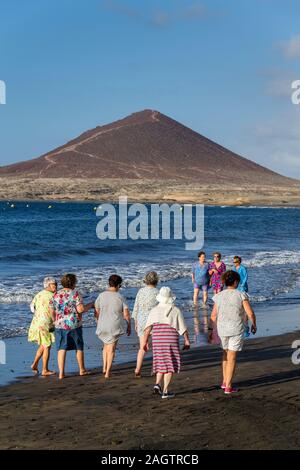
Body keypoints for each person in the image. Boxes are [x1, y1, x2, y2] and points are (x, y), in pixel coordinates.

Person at [209, 270, 257, 395]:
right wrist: (254, 324)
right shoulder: (241, 295)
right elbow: (250, 312)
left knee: (225, 354)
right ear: (236, 282)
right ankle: (228, 386)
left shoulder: (218, 296)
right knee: (232, 357)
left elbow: (213, 316)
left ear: (224, 282)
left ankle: (225, 381)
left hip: (222, 329)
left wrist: (211, 330)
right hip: (236, 328)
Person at [143, 287, 190, 399]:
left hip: (157, 339)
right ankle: (165, 391)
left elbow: (147, 329)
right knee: (170, 364)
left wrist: (145, 342)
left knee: (160, 362)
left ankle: (157, 384)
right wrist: (187, 340)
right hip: (170, 339)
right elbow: (183, 328)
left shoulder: (154, 310)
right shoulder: (175, 310)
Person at [50, 273, 94, 379]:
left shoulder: (55, 294)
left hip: (60, 324)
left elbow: (51, 310)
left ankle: (61, 373)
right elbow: (80, 309)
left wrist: (54, 320)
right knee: (78, 347)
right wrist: (91, 305)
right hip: (74, 324)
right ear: (73, 283)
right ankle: (82, 369)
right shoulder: (75, 294)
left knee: (61, 348)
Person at [95, 274, 131, 379]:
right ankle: (107, 373)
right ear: (118, 285)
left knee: (106, 346)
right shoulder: (120, 297)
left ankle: (104, 368)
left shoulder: (101, 295)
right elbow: (126, 314)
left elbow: (97, 310)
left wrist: (98, 321)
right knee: (111, 349)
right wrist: (129, 325)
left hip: (102, 324)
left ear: (109, 283)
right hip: (114, 325)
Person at [28, 276, 57, 376]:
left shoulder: (39, 294)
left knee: (44, 345)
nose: (56, 286)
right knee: (47, 346)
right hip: (46, 323)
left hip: (37, 322)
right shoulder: (53, 296)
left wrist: (38, 313)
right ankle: (45, 369)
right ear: (48, 285)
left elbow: (31, 307)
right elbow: (52, 310)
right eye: (54, 284)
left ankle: (34, 365)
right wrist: (55, 321)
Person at [132, 271, 159, 377]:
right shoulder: (157, 292)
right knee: (155, 347)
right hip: (153, 321)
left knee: (142, 346)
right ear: (156, 281)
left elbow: (136, 307)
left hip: (141, 321)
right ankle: (154, 369)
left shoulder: (141, 291)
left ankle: (137, 369)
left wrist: (135, 321)